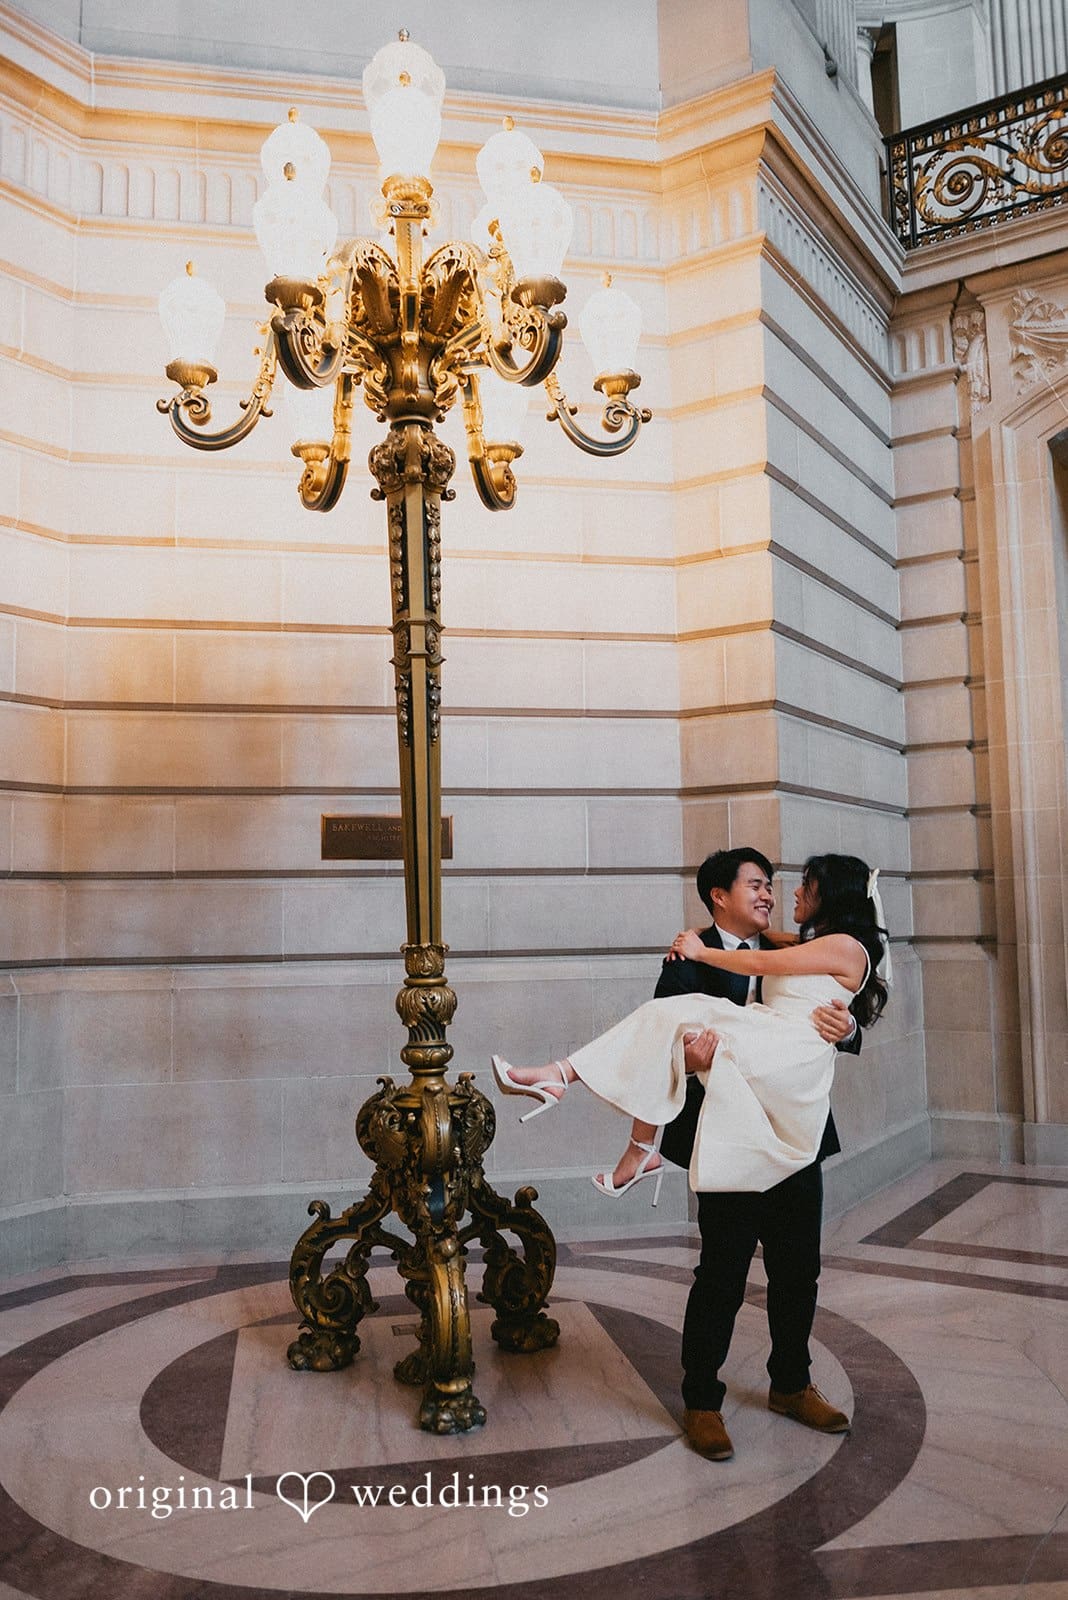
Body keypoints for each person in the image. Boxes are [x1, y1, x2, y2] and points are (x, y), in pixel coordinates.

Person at [492, 851, 889, 1461]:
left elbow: (836, 1001)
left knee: (797, 1271)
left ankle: (791, 1384)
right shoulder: (686, 959)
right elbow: (662, 1042)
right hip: (727, 1131)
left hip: (796, 1133)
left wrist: (850, 1031)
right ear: (718, 896)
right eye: (757, 885)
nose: (771, 895)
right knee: (721, 1275)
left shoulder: (797, 947)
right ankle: (702, 1399)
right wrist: (693, 1061)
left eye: (780, 887)